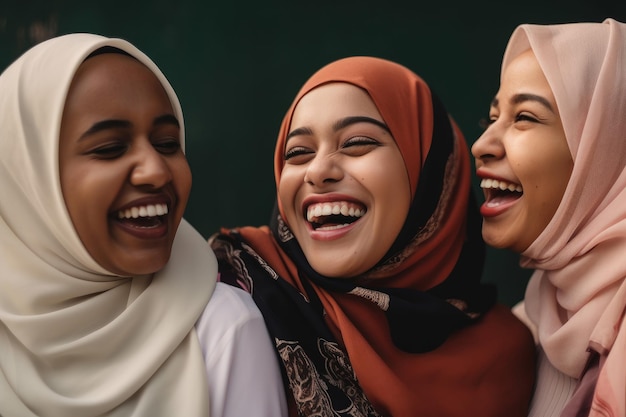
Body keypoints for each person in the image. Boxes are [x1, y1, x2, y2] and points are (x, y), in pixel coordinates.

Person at [209, 56, 536, 417]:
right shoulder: (230, 299)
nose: (318, 171)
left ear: (426, 174)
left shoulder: (510, 353)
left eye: (357, 143)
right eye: (298, 152)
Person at [0, 33, 286, 417]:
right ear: (27, 180)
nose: (156, 171)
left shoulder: (220, 330)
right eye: (109, 148)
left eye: (168, 143)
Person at [471, 18, 626, 417]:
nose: (481, 145)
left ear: (605, 146)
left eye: (524, 117)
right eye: (493, 118)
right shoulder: (525, 331)